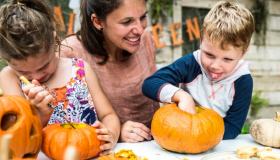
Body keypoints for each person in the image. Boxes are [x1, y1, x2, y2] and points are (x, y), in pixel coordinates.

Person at [0, 0, 120, 156]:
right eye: (22, 71)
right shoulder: (9, 77)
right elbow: (17, 137)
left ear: (54, 41)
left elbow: (108, 115)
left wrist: (110, 133)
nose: (36, 76)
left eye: (44, 66)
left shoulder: (81, 70)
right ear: (7, 60)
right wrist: (39, 114)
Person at [142, 1, 255, 139]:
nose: (215, 66)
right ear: (201, 41)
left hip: (213, 144)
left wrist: (197, 132)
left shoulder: (243, 80)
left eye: (227, 59)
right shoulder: (191, 63)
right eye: (209, 54)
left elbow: (233, 128)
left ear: (243, 54)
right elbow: (150, 84)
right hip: (178, 135)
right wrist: (182, 96)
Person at [60, 0, 160, 143]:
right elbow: (60, 126)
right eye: (127, 21)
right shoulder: (69, 53)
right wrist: (115, 133)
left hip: (155, 148)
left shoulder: (145, 39)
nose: (140, 29)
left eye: (143, 17)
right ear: (98, 22)